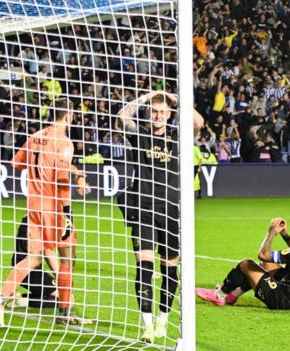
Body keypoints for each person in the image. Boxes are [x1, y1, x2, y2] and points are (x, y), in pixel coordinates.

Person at [0, 98, 88, 325]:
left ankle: (1, 298)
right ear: (68, 116)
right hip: (54, 209)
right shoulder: (64, 142)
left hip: (34, 205)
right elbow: (62, 180)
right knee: (68, 258)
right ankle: (64, 314)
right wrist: (65, 213)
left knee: (33, 258)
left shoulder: (35, 138)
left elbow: (15, 164)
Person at [116, 91, 180, 343]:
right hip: (143, 209)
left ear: (170, 114)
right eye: (154, 111)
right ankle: (147, 326)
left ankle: (163, 320)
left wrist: (179, 99)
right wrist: (147, 97)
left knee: (169, 270)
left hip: (170, 210)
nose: (158, 116)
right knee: (144, 268)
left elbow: (198, 123)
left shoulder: (177, 137)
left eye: (163, 112)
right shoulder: (139, 135)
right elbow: (122, 117)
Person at [196, 218, 290, 310]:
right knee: (266, 266)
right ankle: (232, 296)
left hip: (284, 301)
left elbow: (263, 255)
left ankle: (219, 295)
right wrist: (284, 234)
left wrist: (271, 232)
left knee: (246, 264)